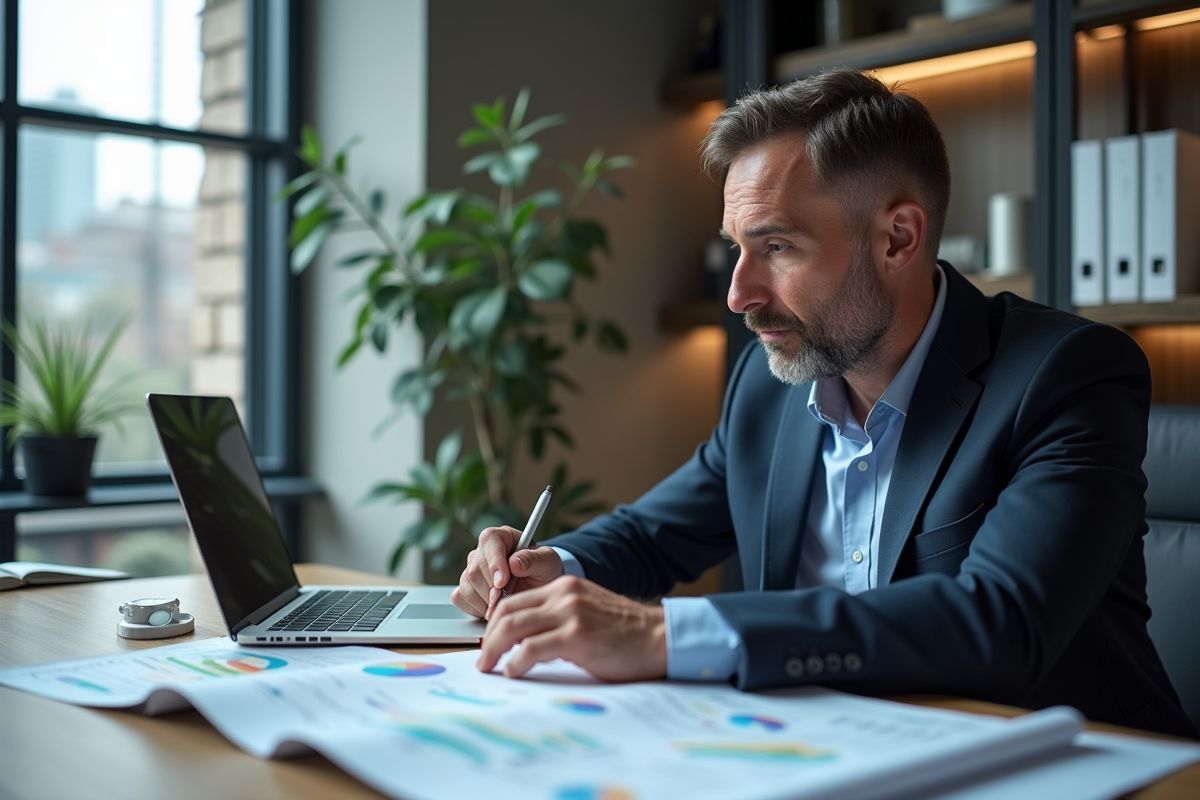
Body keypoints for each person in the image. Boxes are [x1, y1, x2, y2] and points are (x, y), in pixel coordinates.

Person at [451, 68, 1196, 739]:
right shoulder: (770, 385)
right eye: (736, 248)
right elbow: (652, 538)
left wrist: (667, 636)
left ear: (898, 238)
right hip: (832, 754)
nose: (739, 294)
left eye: (776, 247)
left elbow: (999, 622)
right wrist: (553, 565)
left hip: (1069, 767)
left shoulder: (1066, 375)